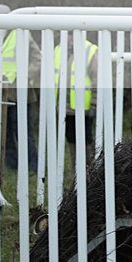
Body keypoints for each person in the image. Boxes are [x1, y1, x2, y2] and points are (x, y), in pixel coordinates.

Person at [0, 4, 41, 172]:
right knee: (5, 132)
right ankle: (11, 165)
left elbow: (37, 58)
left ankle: (33, 165)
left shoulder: (21, 33)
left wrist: (24, 76)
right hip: (3, 91)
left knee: (25, 131)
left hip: (19, 91)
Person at [54, 33, 99, 171]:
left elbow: (98, 79)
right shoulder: (58, 50)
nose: (70, 38)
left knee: (85, 140)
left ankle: (90, 172)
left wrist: (94, 104)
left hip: (83, 106)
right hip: (64, 105)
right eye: (68, 34)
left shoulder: (90, 50)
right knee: (71, 138)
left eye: (72, 35)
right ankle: (76, 172)